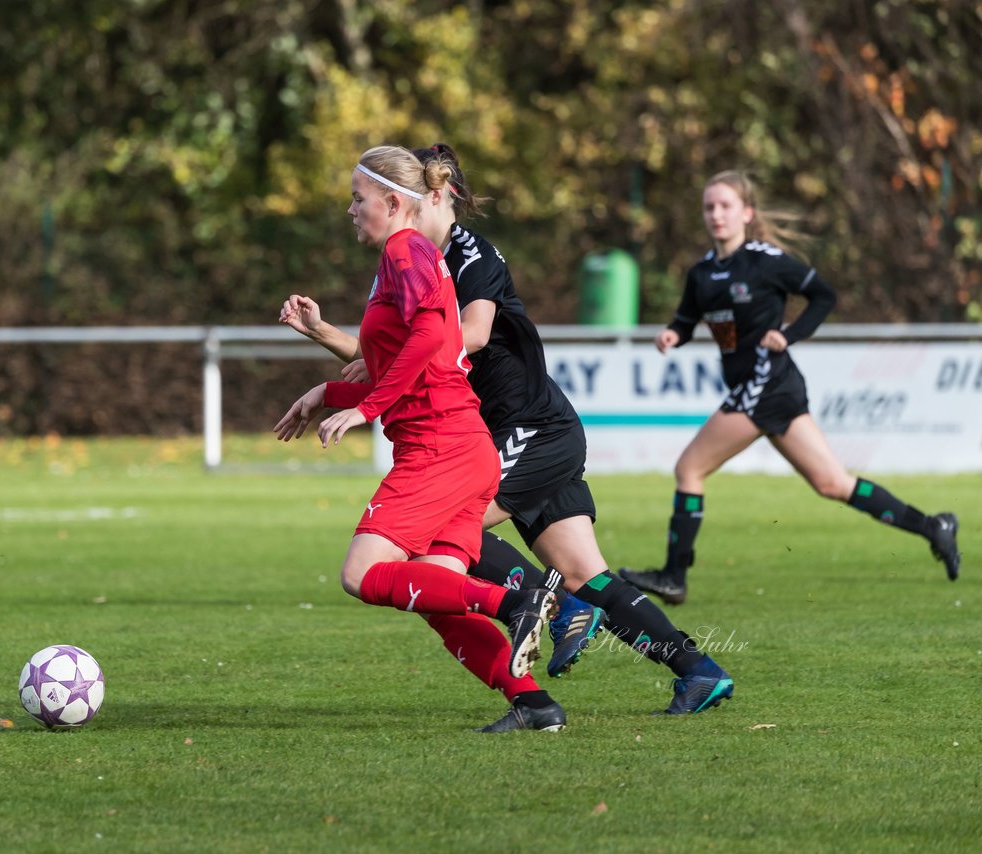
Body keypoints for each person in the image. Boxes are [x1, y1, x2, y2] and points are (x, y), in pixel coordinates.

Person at [281, 142, 735, 719]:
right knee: (583, 574)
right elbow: (393, 352)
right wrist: (328, 346)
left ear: (432, 195)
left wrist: (371, 388)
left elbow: (462, 338)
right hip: (496, 430)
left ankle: (539, 605)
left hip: (526, 427)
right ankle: (696, 669)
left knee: (431, 540)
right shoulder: (411, 261)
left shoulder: (470, 257)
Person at [274, 144, 564, 733]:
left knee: (361, 574)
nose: (351, 210)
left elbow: (433, 334)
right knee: (438, 596)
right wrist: (330, 394)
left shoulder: (406, 250)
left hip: (441, 450)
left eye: (358, 199)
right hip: (464, 446)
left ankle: (515, 603)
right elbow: (411, 370)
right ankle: (535, 705)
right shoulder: (406, 257)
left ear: (391, 201)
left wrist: (366, 410)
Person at [620, 170, 961, 605]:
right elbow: (687, 320)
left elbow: (823, 296)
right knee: (833, 483)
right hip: (767, 390)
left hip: (766, 385)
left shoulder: (766, 260)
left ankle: (674, 576)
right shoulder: (703, 273)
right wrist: (673, 335)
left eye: (725, 206)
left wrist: (790, 334)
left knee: (689, 469)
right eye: (709, 207)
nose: (716, 214)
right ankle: (934, 527)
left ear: (747, 212)